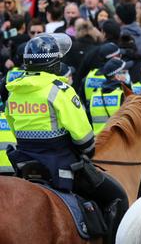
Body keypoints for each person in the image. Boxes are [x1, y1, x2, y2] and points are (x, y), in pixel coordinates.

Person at [6, 34, 128, 237]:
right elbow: (84, 139)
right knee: (117, 196)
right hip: (59, 169)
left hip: (24, 167)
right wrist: (87, 151)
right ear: (54, 64)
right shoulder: (60, 91)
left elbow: (14, 128)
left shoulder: (14, 92)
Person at [88, 59, 130, 134]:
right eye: (123, 72)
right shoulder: (122, 94)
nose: (126, 74)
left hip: (98, 140)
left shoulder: (95, 94)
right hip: (116, 140)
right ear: (117, 76)